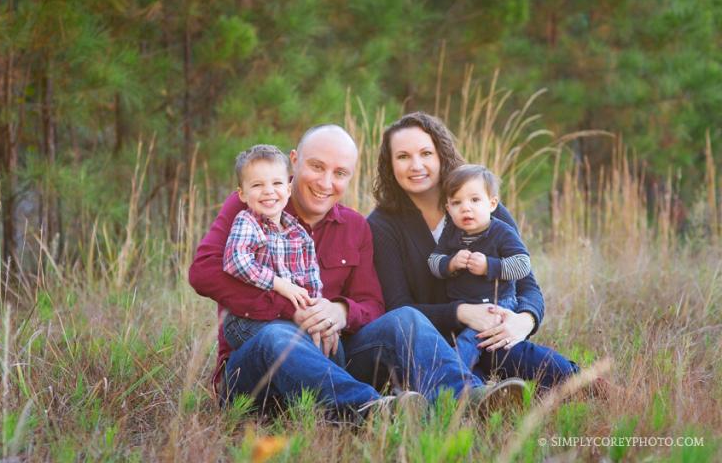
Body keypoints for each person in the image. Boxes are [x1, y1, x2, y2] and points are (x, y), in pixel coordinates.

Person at [189, 124, 527, 417]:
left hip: (333, 359)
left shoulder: (355, 227)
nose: (325, 182)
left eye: (339, 173)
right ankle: (368, 409)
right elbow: (203, 272)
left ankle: (466, 399)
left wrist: (340, 311)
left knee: (405, 318)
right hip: (257, 374)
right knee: (280, 336)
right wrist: (294, 310)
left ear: (350, 176)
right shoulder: (255, 201)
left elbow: (373, 304)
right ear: (294, 161)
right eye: (316, 167)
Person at [367, 112, 579, 390]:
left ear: (442, 154)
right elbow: (399, 309)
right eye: (403, 156)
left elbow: (527, 284)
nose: (416, 165)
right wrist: (462, 312)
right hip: (431, 346)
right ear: (390, 164)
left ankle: (587, 384)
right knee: (464, 372)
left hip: (491, 335)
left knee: (525, 359)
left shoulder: (482, 207)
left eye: (426, 153)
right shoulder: (382, 225)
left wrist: (523, 321)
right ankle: (480, 398)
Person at [428, 164, 531, 371]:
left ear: (492, 203)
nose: (466, 208)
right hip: (463, 307)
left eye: (475, 200)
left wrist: (489, 266)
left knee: (470, 341)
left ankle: (449, 379)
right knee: (451, 341)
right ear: (448, 208)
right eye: (457, 203)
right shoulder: (451, 233)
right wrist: (450, 263)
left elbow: (522, 265)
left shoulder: (502, 232)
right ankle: (472, 378)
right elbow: (433, 261)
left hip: (497, 303)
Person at [221, 144, 323, 351]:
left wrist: (315, 316)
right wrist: (280, 284)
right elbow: (235, 261)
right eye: (257, 185)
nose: (268, 191)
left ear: (288, 188)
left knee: (327, 346)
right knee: (290, 342)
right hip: (247, 320)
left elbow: (312, 280)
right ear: (242, 194)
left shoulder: (299, 234)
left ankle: (332, 382)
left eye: (276, 182)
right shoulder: (247, 222)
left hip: (289, 321)